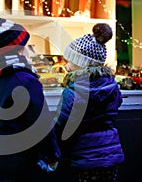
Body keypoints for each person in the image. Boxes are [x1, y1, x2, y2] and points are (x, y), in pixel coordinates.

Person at [0, 6, 61, 182]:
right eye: (25, 45)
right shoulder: (25, 81)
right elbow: (41, 125)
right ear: (17, 50)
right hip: (23, 163)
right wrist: (52, 156)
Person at [55, 23, 125, 182]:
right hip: (111, 151)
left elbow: (62, 124)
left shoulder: (72, 92)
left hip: (85, 153)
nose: (66, 66)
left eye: (70, 61)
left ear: (81, 64)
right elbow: (117, 103)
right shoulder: (112, 87)